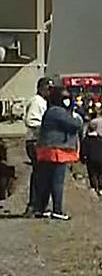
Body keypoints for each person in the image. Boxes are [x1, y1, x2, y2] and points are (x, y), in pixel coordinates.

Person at [34, 87, 82, 220]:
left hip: (46, 150)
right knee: (57, 182)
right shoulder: (58, 112)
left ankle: (41, 209)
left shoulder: (51, 111)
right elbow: (76, 124)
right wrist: (76, 114)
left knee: (47, 182)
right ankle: (57, 210)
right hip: (56, 151)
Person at [23, 77, 52, 215]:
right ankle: (34, 205)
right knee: (39, 174)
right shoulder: (37, 102)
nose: (49, 91)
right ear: (41, 88)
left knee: (41, 174)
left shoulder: (43, 102)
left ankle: (38, 205)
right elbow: (31, 121)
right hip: (35, 141)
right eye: (48, 88)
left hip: (38, 141)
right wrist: (46, 127)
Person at [81, 125, 102, 196]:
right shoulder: (101, 139)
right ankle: (101, 188)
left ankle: (94, 187)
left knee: (92, 174)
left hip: (91, 159)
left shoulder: (86, 140)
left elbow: (83, 151)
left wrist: (82, 159)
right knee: (101, 174)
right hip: (100, 158)